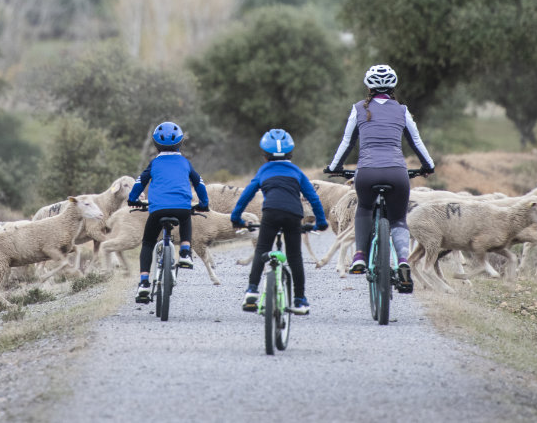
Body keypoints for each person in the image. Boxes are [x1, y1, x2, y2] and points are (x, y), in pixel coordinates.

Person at [325, 64, 434, 292]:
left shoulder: (358, 109)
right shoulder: (402, 110)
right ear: (394, 86)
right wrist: (428, 166)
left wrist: (335, 167)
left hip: (367, 172)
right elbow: (417, 142)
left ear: (368, 86)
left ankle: (360, 256)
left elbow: (347, 142)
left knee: (364, 208)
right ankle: (403, 261)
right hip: (397, 173)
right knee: (398, 219)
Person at [231, 129, 328, 315]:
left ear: (264, 155)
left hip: (271, 212)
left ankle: (251, 291)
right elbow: (313, 198)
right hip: (293, 214)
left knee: (262, 249)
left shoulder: (263, 171)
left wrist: (236, 217)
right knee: (294, 256)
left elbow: (246, 195)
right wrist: (321, 222)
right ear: (290, 153)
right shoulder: (296, 172)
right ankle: (300, 300)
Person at [127, 121, 210, 303]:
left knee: (148, 242)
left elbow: (139, 182)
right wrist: (204, 203)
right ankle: (186, 252)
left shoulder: (154, 163)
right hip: (181, 207)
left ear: (156, 144)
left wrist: (132, 200)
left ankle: (143, 283)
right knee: (187, 216)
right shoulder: (185, 163)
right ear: (180, 142)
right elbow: (199, 183)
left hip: (157, 210)